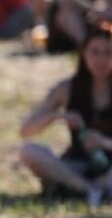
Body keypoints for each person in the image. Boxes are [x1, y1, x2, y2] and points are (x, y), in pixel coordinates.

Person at [20, 27, 112, 207]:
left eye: (108, 53)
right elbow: (26, 130)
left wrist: (103, 142)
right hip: (76, 164)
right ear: (83, 54)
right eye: (95, 52)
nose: (101, 60)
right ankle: (89, 191)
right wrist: (57, 117)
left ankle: (80, 191)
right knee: (29, 151)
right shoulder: (67, 89)